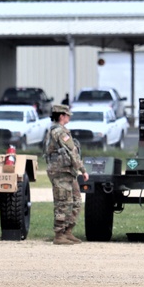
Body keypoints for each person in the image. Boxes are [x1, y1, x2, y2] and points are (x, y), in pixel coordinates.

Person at [43, 103, 89, 244]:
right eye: (67, 115)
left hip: (68, 172)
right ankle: (59, 235)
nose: (69, 117)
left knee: (76, 201)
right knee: (63, 202)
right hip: (60, 172)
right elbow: (72, 152)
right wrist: (83, 170)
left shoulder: (61, 131)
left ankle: (68, 231)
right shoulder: (59, 132)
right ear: (62, 116)